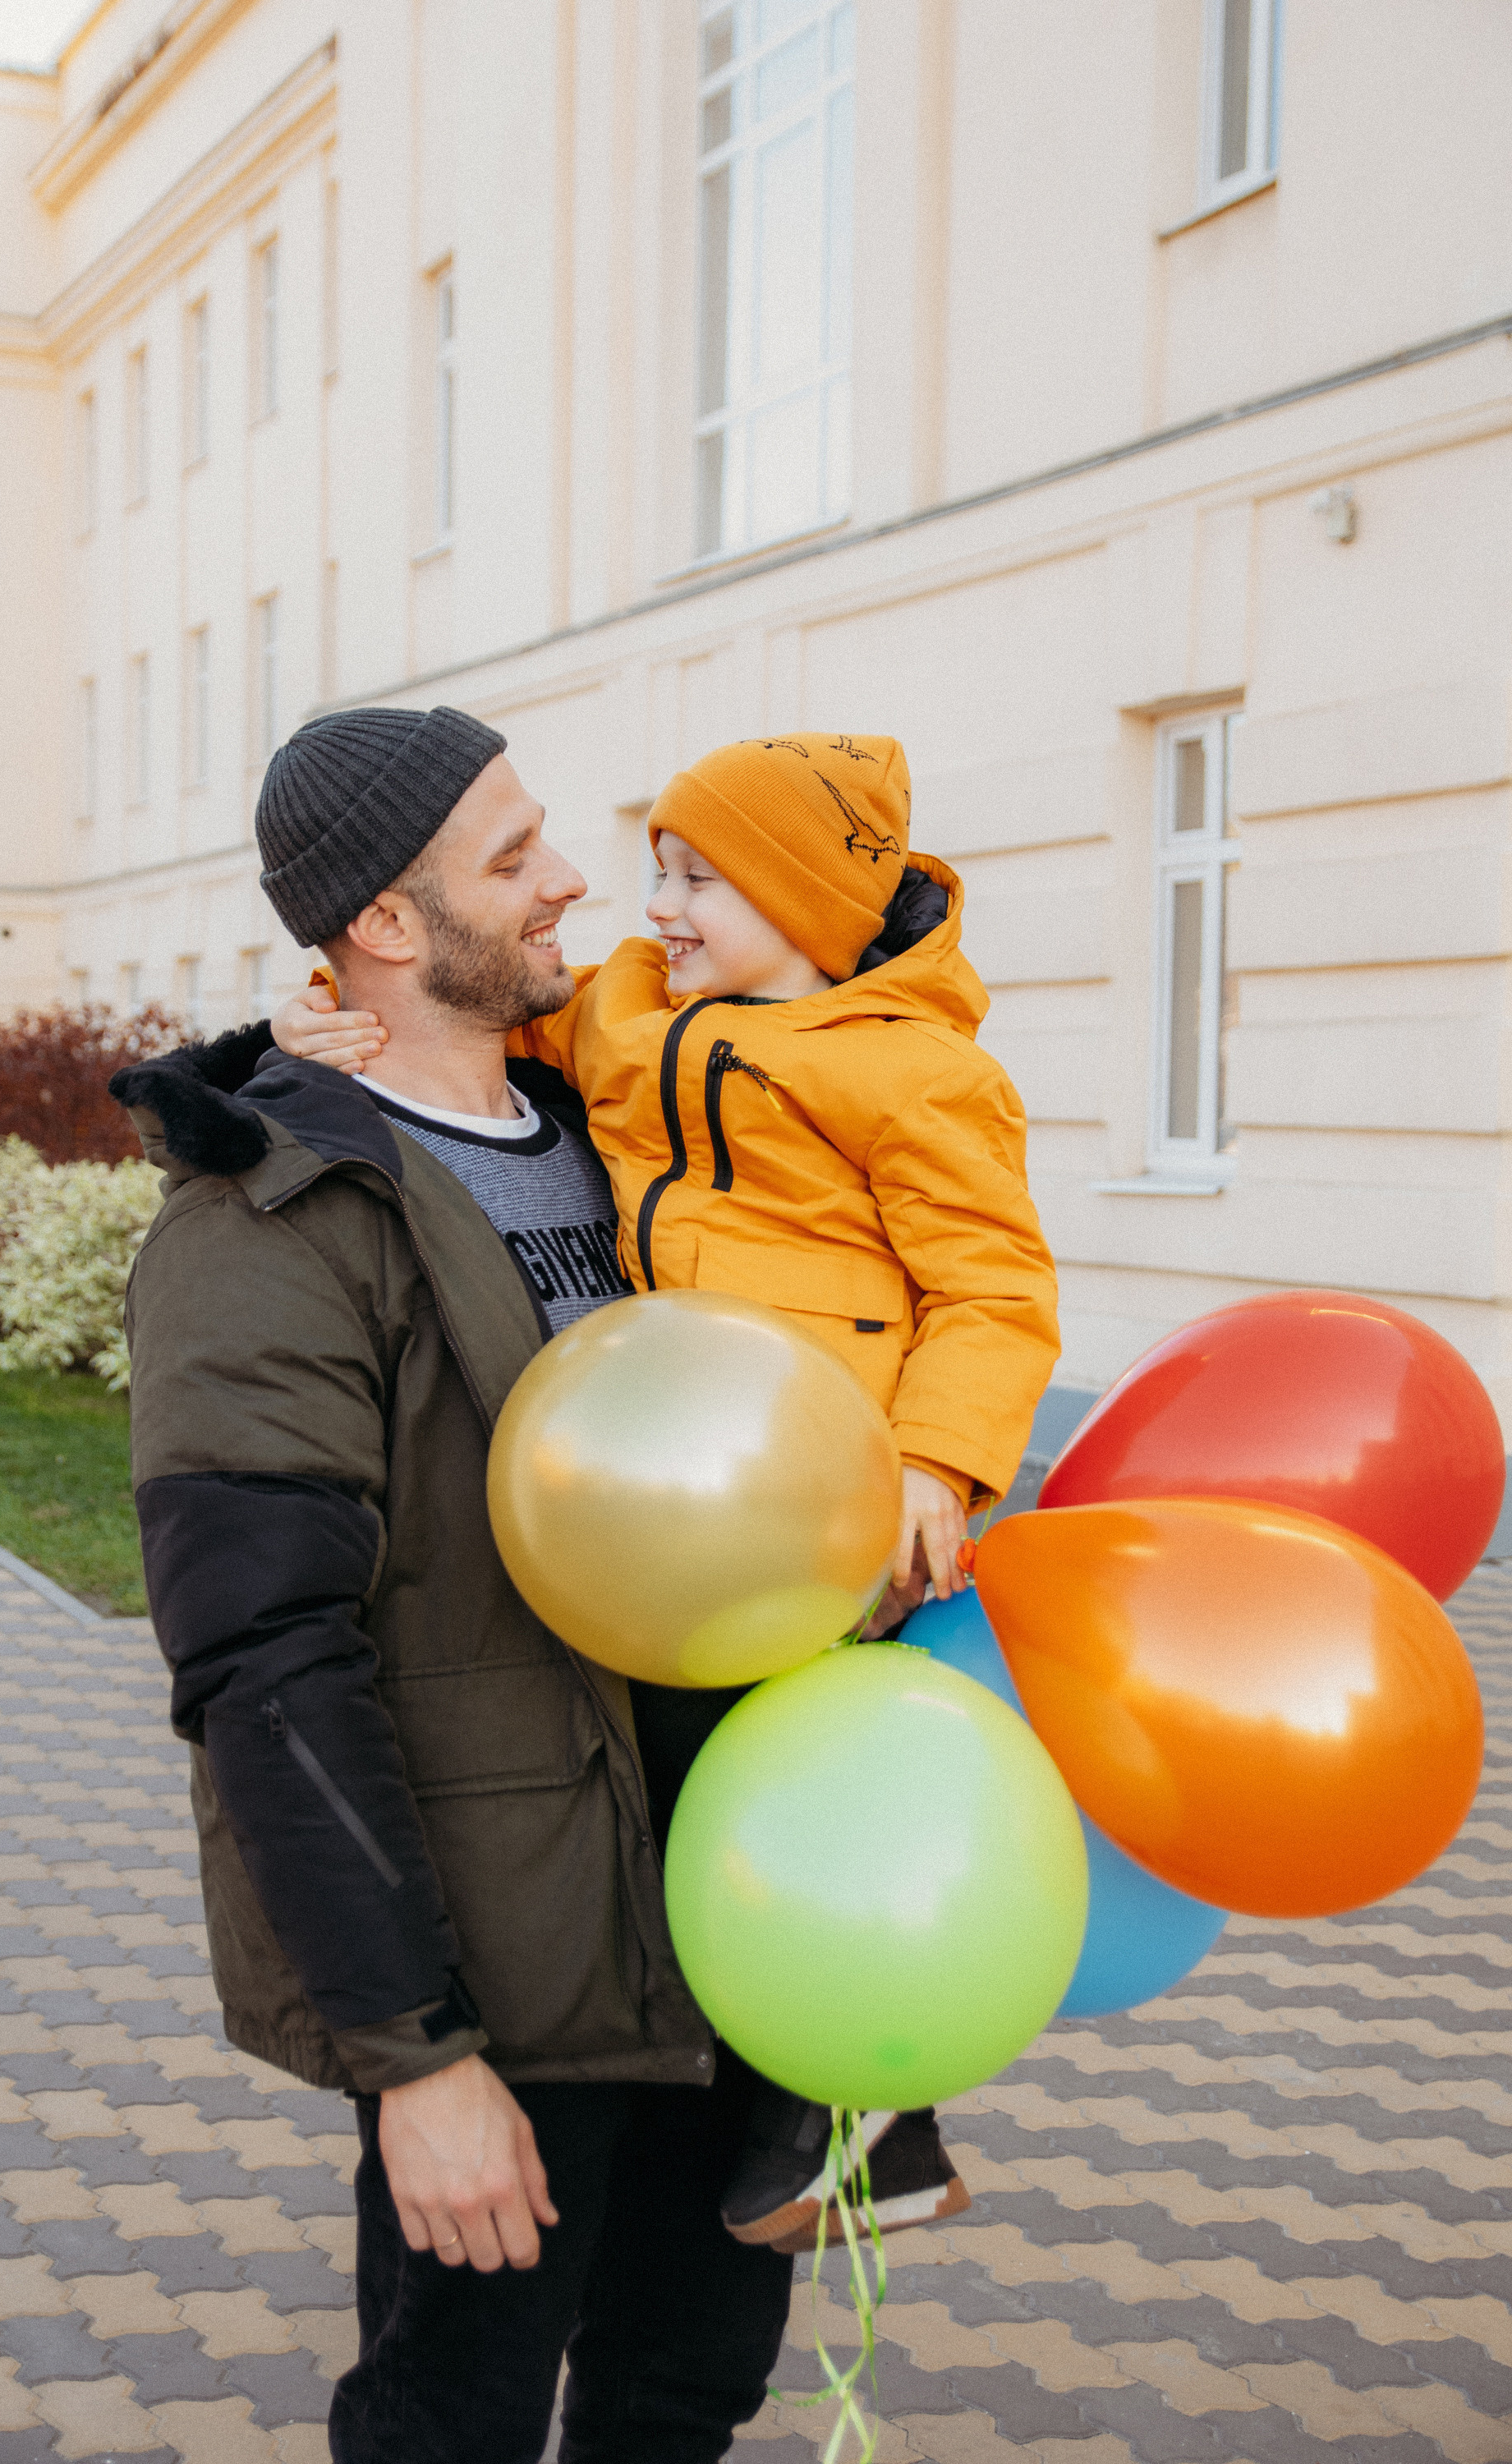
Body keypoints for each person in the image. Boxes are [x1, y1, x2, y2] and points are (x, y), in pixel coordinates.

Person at [269, 725, 1061, 2254]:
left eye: (702, 880)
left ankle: (865, 2112)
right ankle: (793, 2116)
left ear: (812, 906)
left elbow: (995, 1288)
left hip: (833, 1490)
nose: (660, 909)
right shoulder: (632, 1011)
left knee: (805, 1783)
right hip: (687, 1487)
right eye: (659, 875)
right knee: (703, 1782)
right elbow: (455, 1015)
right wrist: (308, 1025)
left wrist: (936, 1464)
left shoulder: (918, 1073)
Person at [112, 705, 797, 2464]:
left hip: (731, 1924)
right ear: (389, 929)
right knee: (453, 2425)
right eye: (515, 856)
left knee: (681, 2396)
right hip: (510, 1978)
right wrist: (413, 2060)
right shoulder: (267, 1224)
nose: (573, 876)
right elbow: (264, 1663)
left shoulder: (620, 1142)